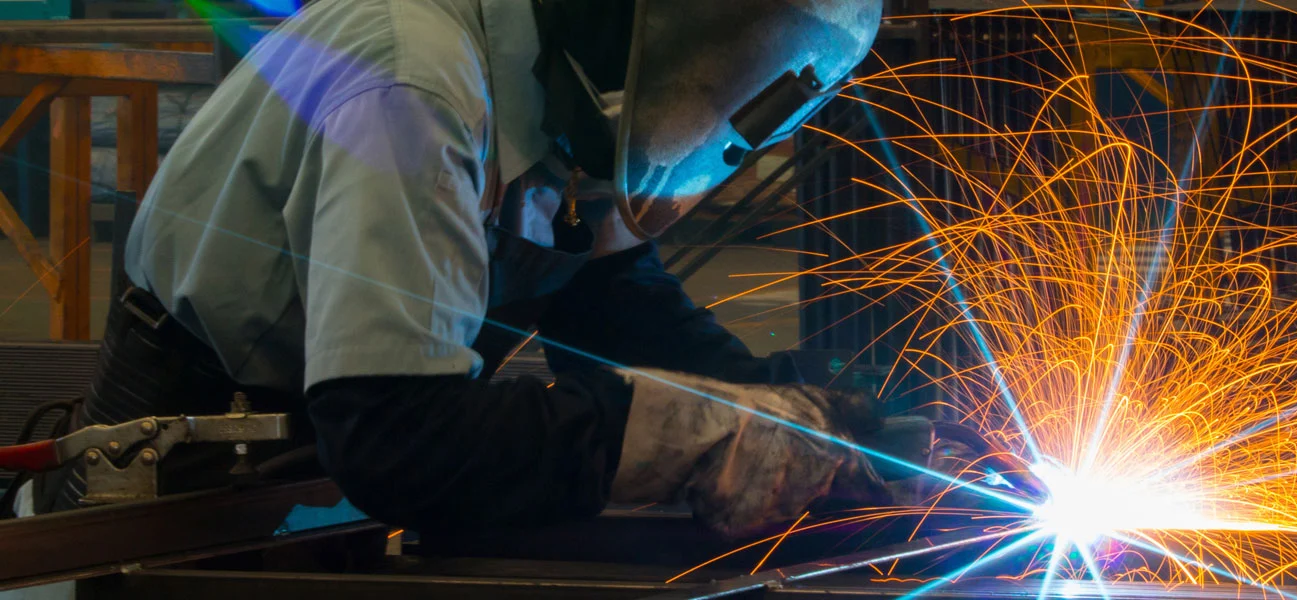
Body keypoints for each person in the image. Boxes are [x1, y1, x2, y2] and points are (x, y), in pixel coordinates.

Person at [27, 0, 890, 549]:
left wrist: (826, 420)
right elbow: (399, 436)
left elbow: (613, 305)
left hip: (322, 457)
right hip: (187, 473)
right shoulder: (416, 84)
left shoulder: (564, 84)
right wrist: (685, 433)